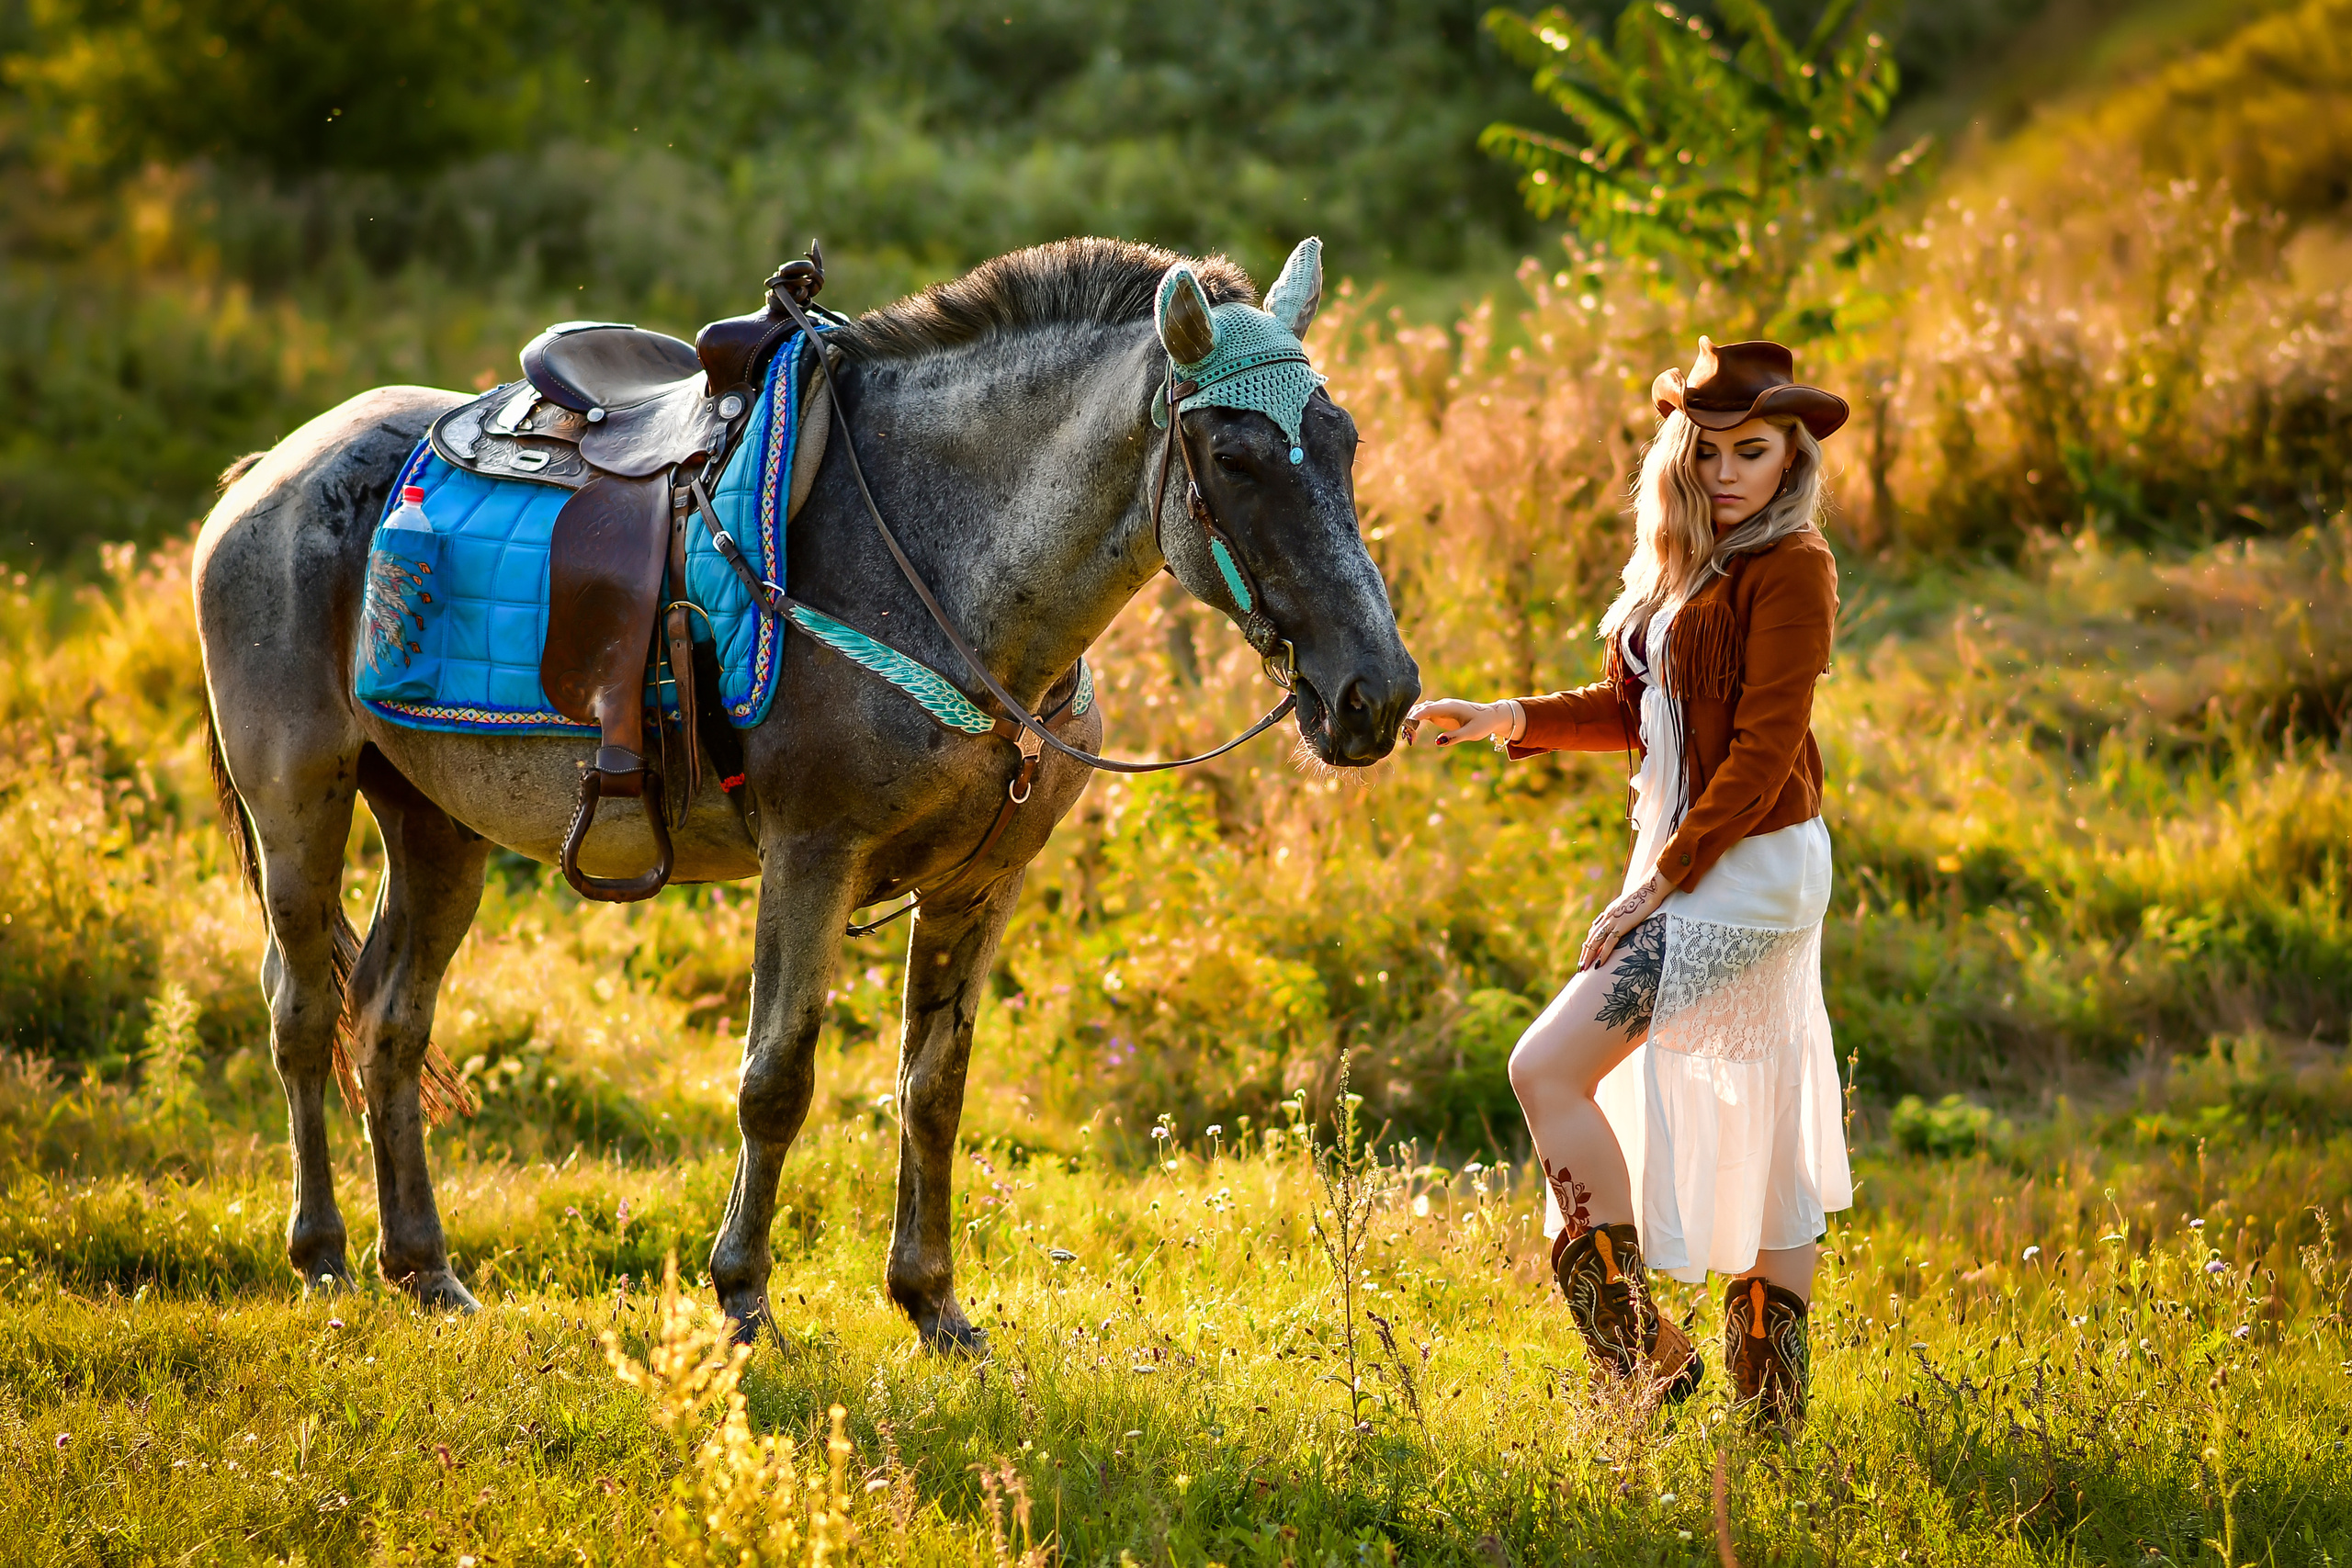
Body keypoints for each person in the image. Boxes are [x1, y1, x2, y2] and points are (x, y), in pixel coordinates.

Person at [1405, 338, 1851, 1428]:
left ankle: (1649, 1358)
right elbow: (1633, 706)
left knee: (1547, 1066)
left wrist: (1660, 882)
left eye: (1752, 452)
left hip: (1745, 867)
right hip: (1691, 849)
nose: (1727, 473)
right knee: (1759, 1105)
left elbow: (1760, 748)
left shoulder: (1792, 567)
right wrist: (1505, 717)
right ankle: (1758, 1409)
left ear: (1792, 456)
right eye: (1707, 451)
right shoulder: (1688, 561)